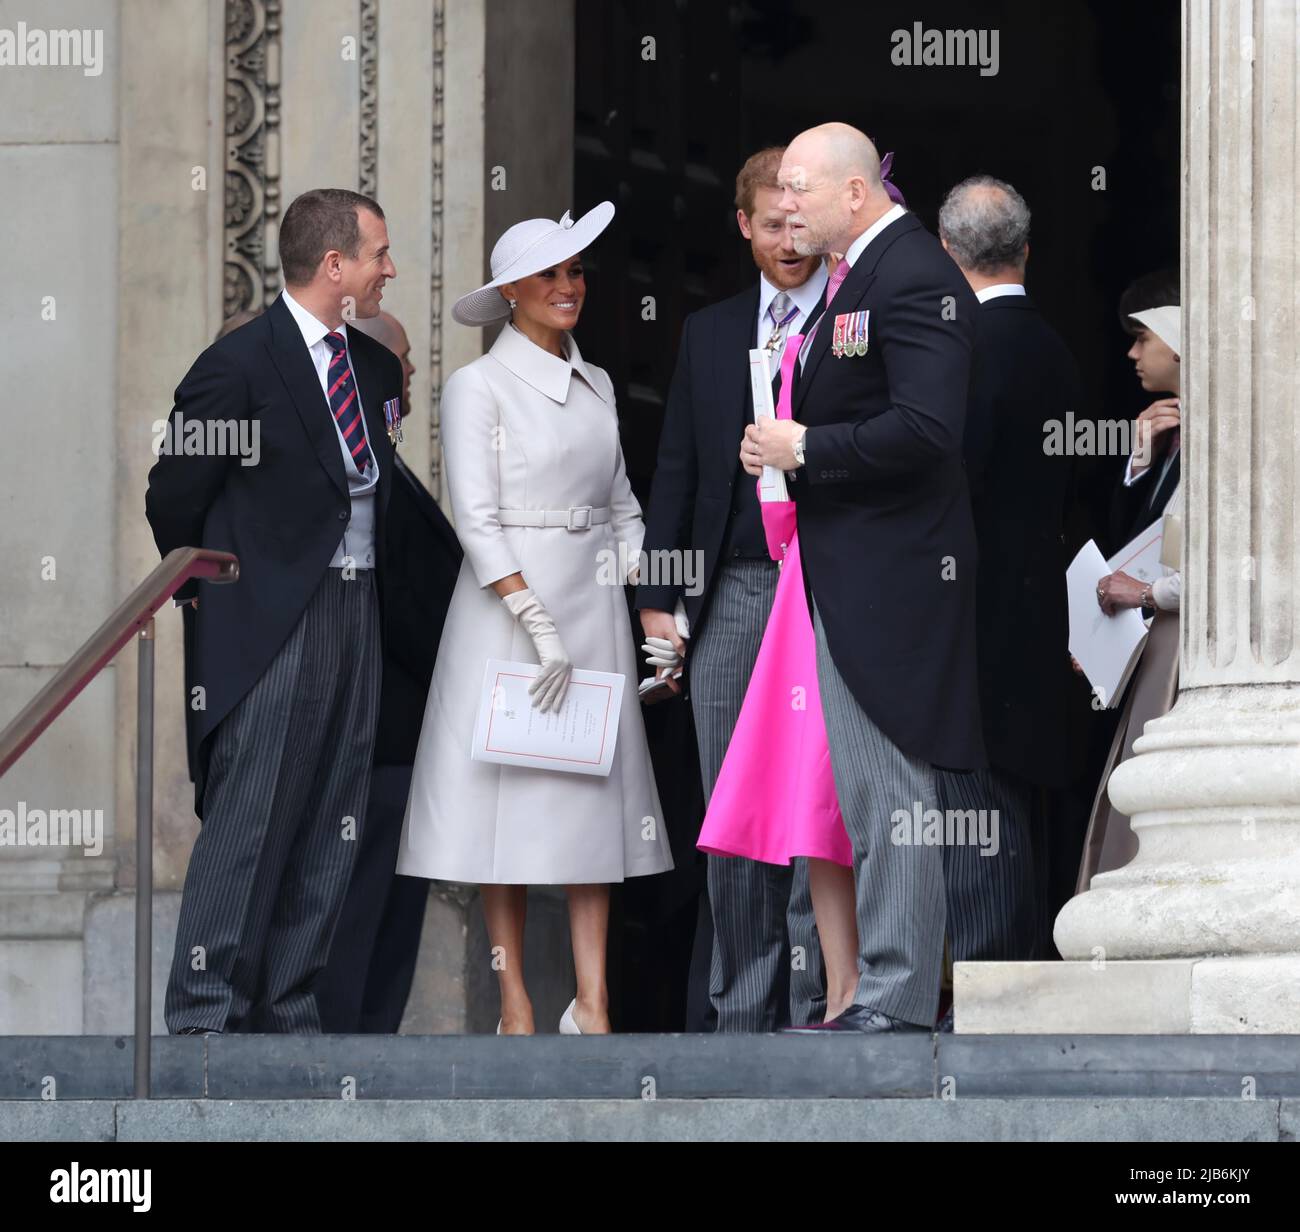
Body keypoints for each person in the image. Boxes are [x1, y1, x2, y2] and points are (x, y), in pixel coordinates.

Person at [398, 203, 673, 1035]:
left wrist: (653, 605)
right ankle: (515, 1000)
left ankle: (593, 1003)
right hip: (507, 612)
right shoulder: (475, 385)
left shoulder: (595, 386)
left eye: (577, 272)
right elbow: (475, 517)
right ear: (510, 289)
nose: (569, 287)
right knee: (505, 809)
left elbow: (623, 505)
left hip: (592, 610)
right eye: (551, 274)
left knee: (592, 804)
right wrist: (536, 621)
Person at [743, 123, 984, 1034]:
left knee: (891, 790)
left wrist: (804, 445)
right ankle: (889, 992)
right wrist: (787, 450)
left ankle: (895, 997)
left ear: (854, 194)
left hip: (894, 576)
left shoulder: (913, 274)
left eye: (800, 188)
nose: (787, 204)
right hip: (851, 570)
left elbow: (930, 429)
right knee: (867, 792)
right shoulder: (862, 277)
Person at [146, 187, 402, 1033]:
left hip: (357, 610)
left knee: (336, 812)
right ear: (336, 266)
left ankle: (290, 1007)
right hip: (271, 619)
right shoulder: (238, 363)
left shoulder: (370, 368)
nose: (387, 270)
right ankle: (204, 1013)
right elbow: (173, 496)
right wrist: (231, 594)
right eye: (377, 255)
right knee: (252, 817)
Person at [635, 147, 828, 1032]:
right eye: (772, 221)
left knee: (819, 805)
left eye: (803, 219)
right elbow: (675, 468)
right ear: (744, 225)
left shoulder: (852, 318)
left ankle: (818, 1004)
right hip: (733, 593)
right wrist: (656, 600)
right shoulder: (709, 333)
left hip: (829, 589)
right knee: (733, 808)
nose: (791, 237)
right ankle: (741, 1016)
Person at [934, 174, 1079, 976]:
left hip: (972, 613)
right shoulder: (1055, 348)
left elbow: (956, 484)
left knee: (978, 808)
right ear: (1027, 249)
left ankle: (989, 989)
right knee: (1018, 803)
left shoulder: (966, 349)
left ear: (948, 253)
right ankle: (1011, 978)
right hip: (1036, 608)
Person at [317, 310, 464, 1033]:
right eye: (401, 361)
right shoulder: (354, 474)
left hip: (406, 742)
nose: (410, 375)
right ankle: (343, 1062)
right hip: (375, 738)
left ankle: (366, 1056)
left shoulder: (386, 464)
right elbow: (402, 603)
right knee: (356, 913)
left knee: (391, 915)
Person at [1077, 272, 1183, 886]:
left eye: (1143, 337)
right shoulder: (1158, 431)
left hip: (1180, 653)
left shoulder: (1225, 434)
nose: (1132, 353)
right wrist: (1139, 459)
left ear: (1175, 338)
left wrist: (1142, 595)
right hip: (1145, 648)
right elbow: (1129, 545)